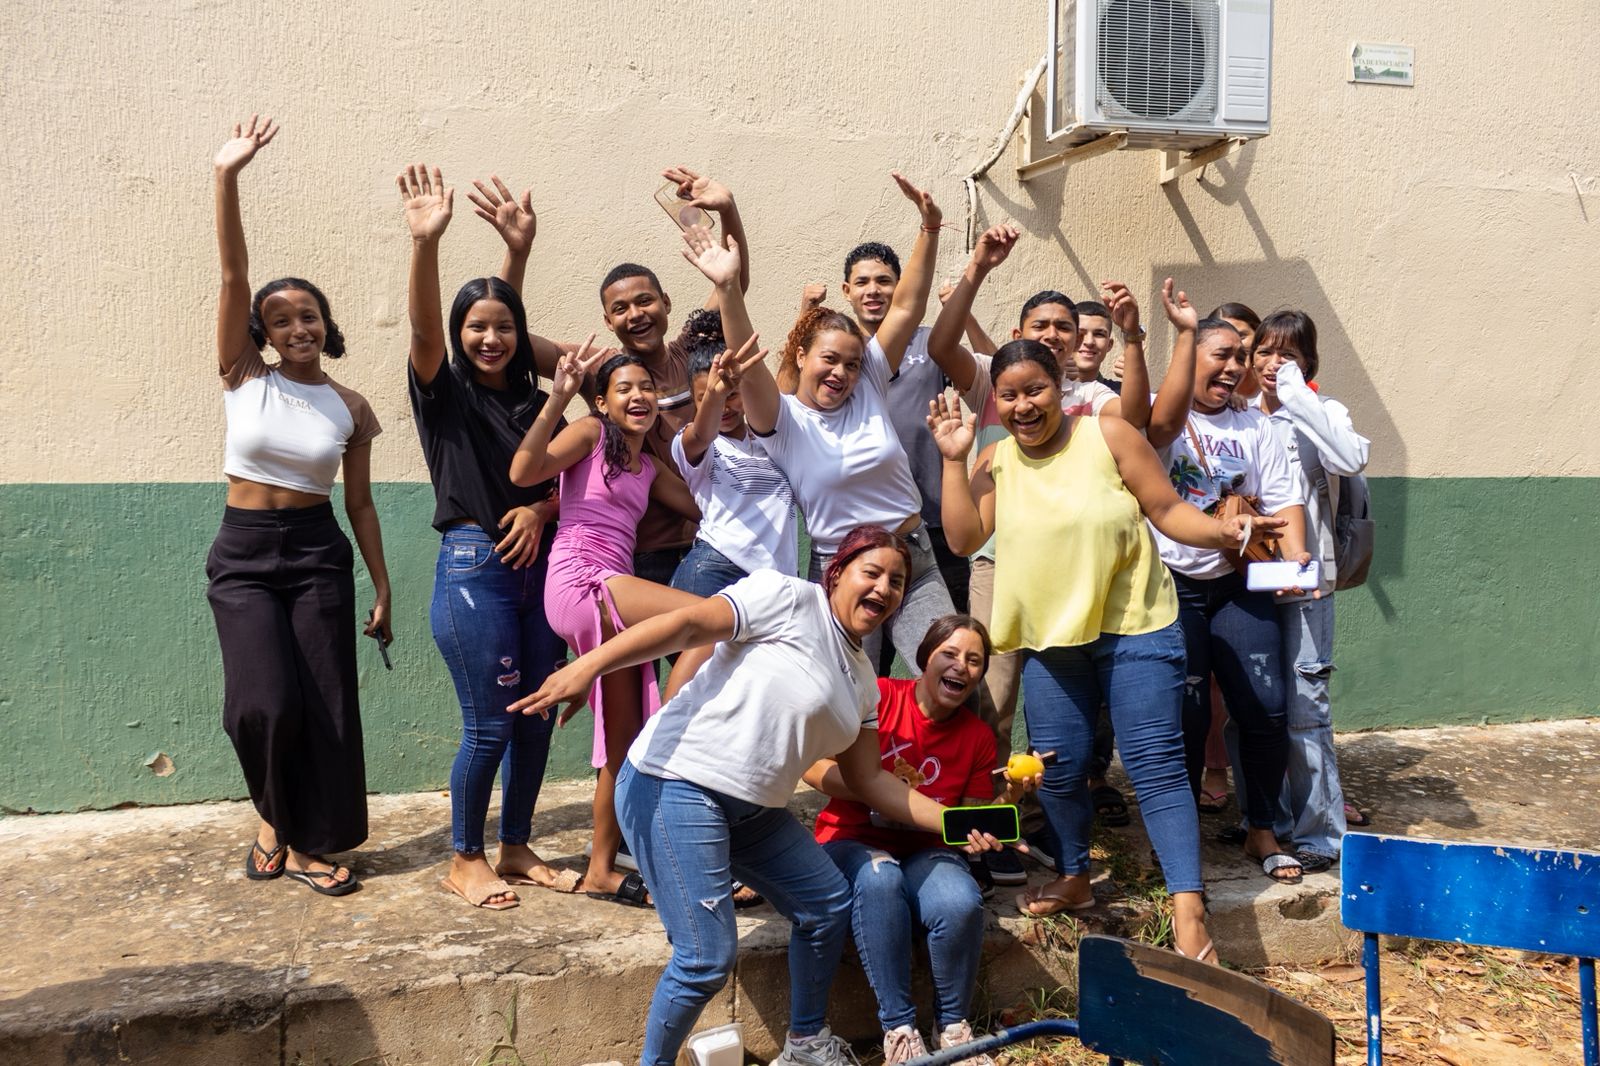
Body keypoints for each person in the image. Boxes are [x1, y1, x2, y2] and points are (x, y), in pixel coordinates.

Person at [509, 526, 1010, 1066]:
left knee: (826, 904)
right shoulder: (786, 596)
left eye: (897, 581)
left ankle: (805, 1045)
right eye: (873, 572)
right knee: (705, 959)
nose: (885, 589)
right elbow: (688, 623)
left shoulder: (863, 678)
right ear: (838, 571)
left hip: (754, 811)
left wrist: (956, 824)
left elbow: (872, 780)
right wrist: (589, 665)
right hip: (677, 783)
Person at [931, 327, 1277, 962]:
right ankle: (1073, 874)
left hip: (1136, 626)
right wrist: (955, 458)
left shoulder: (1107, 433)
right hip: (1051, 641)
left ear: (1059, 387)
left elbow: (1168, 510)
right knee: (1058, 772)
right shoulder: (995, 461)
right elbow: (961, 539)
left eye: (1034, 390)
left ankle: (1189, 908)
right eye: (1008, 397)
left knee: (1156, 766)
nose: (1022, 406)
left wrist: (1221, 532)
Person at [927, 226, 1153, 869]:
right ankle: (985, 832)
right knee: (992, 700)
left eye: (1062, 325)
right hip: (1002, 567)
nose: (1052, 333)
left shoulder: (1092, 401)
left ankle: (1054, 822)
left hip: (1077, 575)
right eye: (1039, 323)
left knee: (1071, 712)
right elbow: (945, 342)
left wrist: (1136, 337)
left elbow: (1140, 418)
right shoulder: (1004, 380)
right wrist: (976, 268)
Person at [208, 117, 390, 897]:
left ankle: (310, 843)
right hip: (245, 553)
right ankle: (272, 814)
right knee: (262, 704)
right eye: (281, 319)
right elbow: (230, 273)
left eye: (308, 316)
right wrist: (228, 177)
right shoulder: (245, 373)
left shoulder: (350, 406)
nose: (298, 327)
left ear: (326, 325)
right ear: (263, 333)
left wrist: (383, 586)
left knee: (324, 706)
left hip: (318, 552)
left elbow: (360, 504)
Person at [682, 179, 959, 677]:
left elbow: (907, 307)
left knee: (949, 676)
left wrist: (930, 227)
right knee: (846, 706)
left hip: (913, 560)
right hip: (842, 571)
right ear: (802, 355)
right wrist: (727, 287)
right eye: (829, 360)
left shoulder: (870, 382)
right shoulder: (783, 420)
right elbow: (745, 359)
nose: (842, 373)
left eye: (852, 364)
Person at [399, 163, 578, 910]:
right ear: (456, 337)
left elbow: (568, 486)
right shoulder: (446, 396)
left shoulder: (545, 403)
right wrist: (427, 244)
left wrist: (541, 513)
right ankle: (464, 856)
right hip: (475, 568)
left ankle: (515, 845)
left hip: (542, 574)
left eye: (503, 327)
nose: (491, 338)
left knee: (534, 721)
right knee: (489, 726)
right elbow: (425, 327)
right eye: (475, 328)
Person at [509, 345, 702, 905]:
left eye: (646, 386)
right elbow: (525, 471)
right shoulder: (591, 434)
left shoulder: (648, 467)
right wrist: (559, 398)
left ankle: (600, 869)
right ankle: (667, 713)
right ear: (604, 401)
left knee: (623, 745)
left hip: (615, 594)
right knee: (702, 621)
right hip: (579, 581)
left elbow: (700, 507)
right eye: (625, 388)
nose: (638, 395)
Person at [805, 615, 1038, 1063]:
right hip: (851, 838)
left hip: (928, 852)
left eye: (974, 660)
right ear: (925, 658)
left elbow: (968, 819)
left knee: (958, 900)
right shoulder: (879, 697)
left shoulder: (977, 737)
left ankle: (953, 1028)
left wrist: (1011, 792)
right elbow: (813, 768)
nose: (961, 667)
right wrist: (877, 789)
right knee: (880, 877)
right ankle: (900, 1031)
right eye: (950, 654)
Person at [1146, 299, 1312, 885]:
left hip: (1241, 582)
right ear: (1190, 358)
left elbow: (1284, 500)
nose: (1233, 367)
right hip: (1171, 584)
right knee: (1184, 713)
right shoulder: (1160, 424)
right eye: (1222, 354)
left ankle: (1260, 828)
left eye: (1241, 358)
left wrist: (1296, 558)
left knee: (1266, 708)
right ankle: (1179, 832)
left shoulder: (1258, 427)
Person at [800, 200, 966, 618]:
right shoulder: (837, 363)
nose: (873, 290)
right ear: (847, 291)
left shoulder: (916, 349)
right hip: (851, 545)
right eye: (863, 282)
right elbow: (788, 389)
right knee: (858, 672)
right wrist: (804, 315)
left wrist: (931, 230)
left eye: (884, 281)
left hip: (927, 525)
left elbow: (913, 308)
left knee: (945, 647)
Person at [1252, 310, 1371, 871]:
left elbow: (1350, 459)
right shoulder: (1238, 417)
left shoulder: (1323, 413)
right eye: (1264, 352)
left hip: (1306, 584)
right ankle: (1267, 824)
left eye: (1288, 354)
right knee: (1254, 707)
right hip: (1248, 583)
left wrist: (1299, 398)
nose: (1274, 364)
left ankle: (1321, 835)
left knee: (1306, 708)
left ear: (1308, 363)